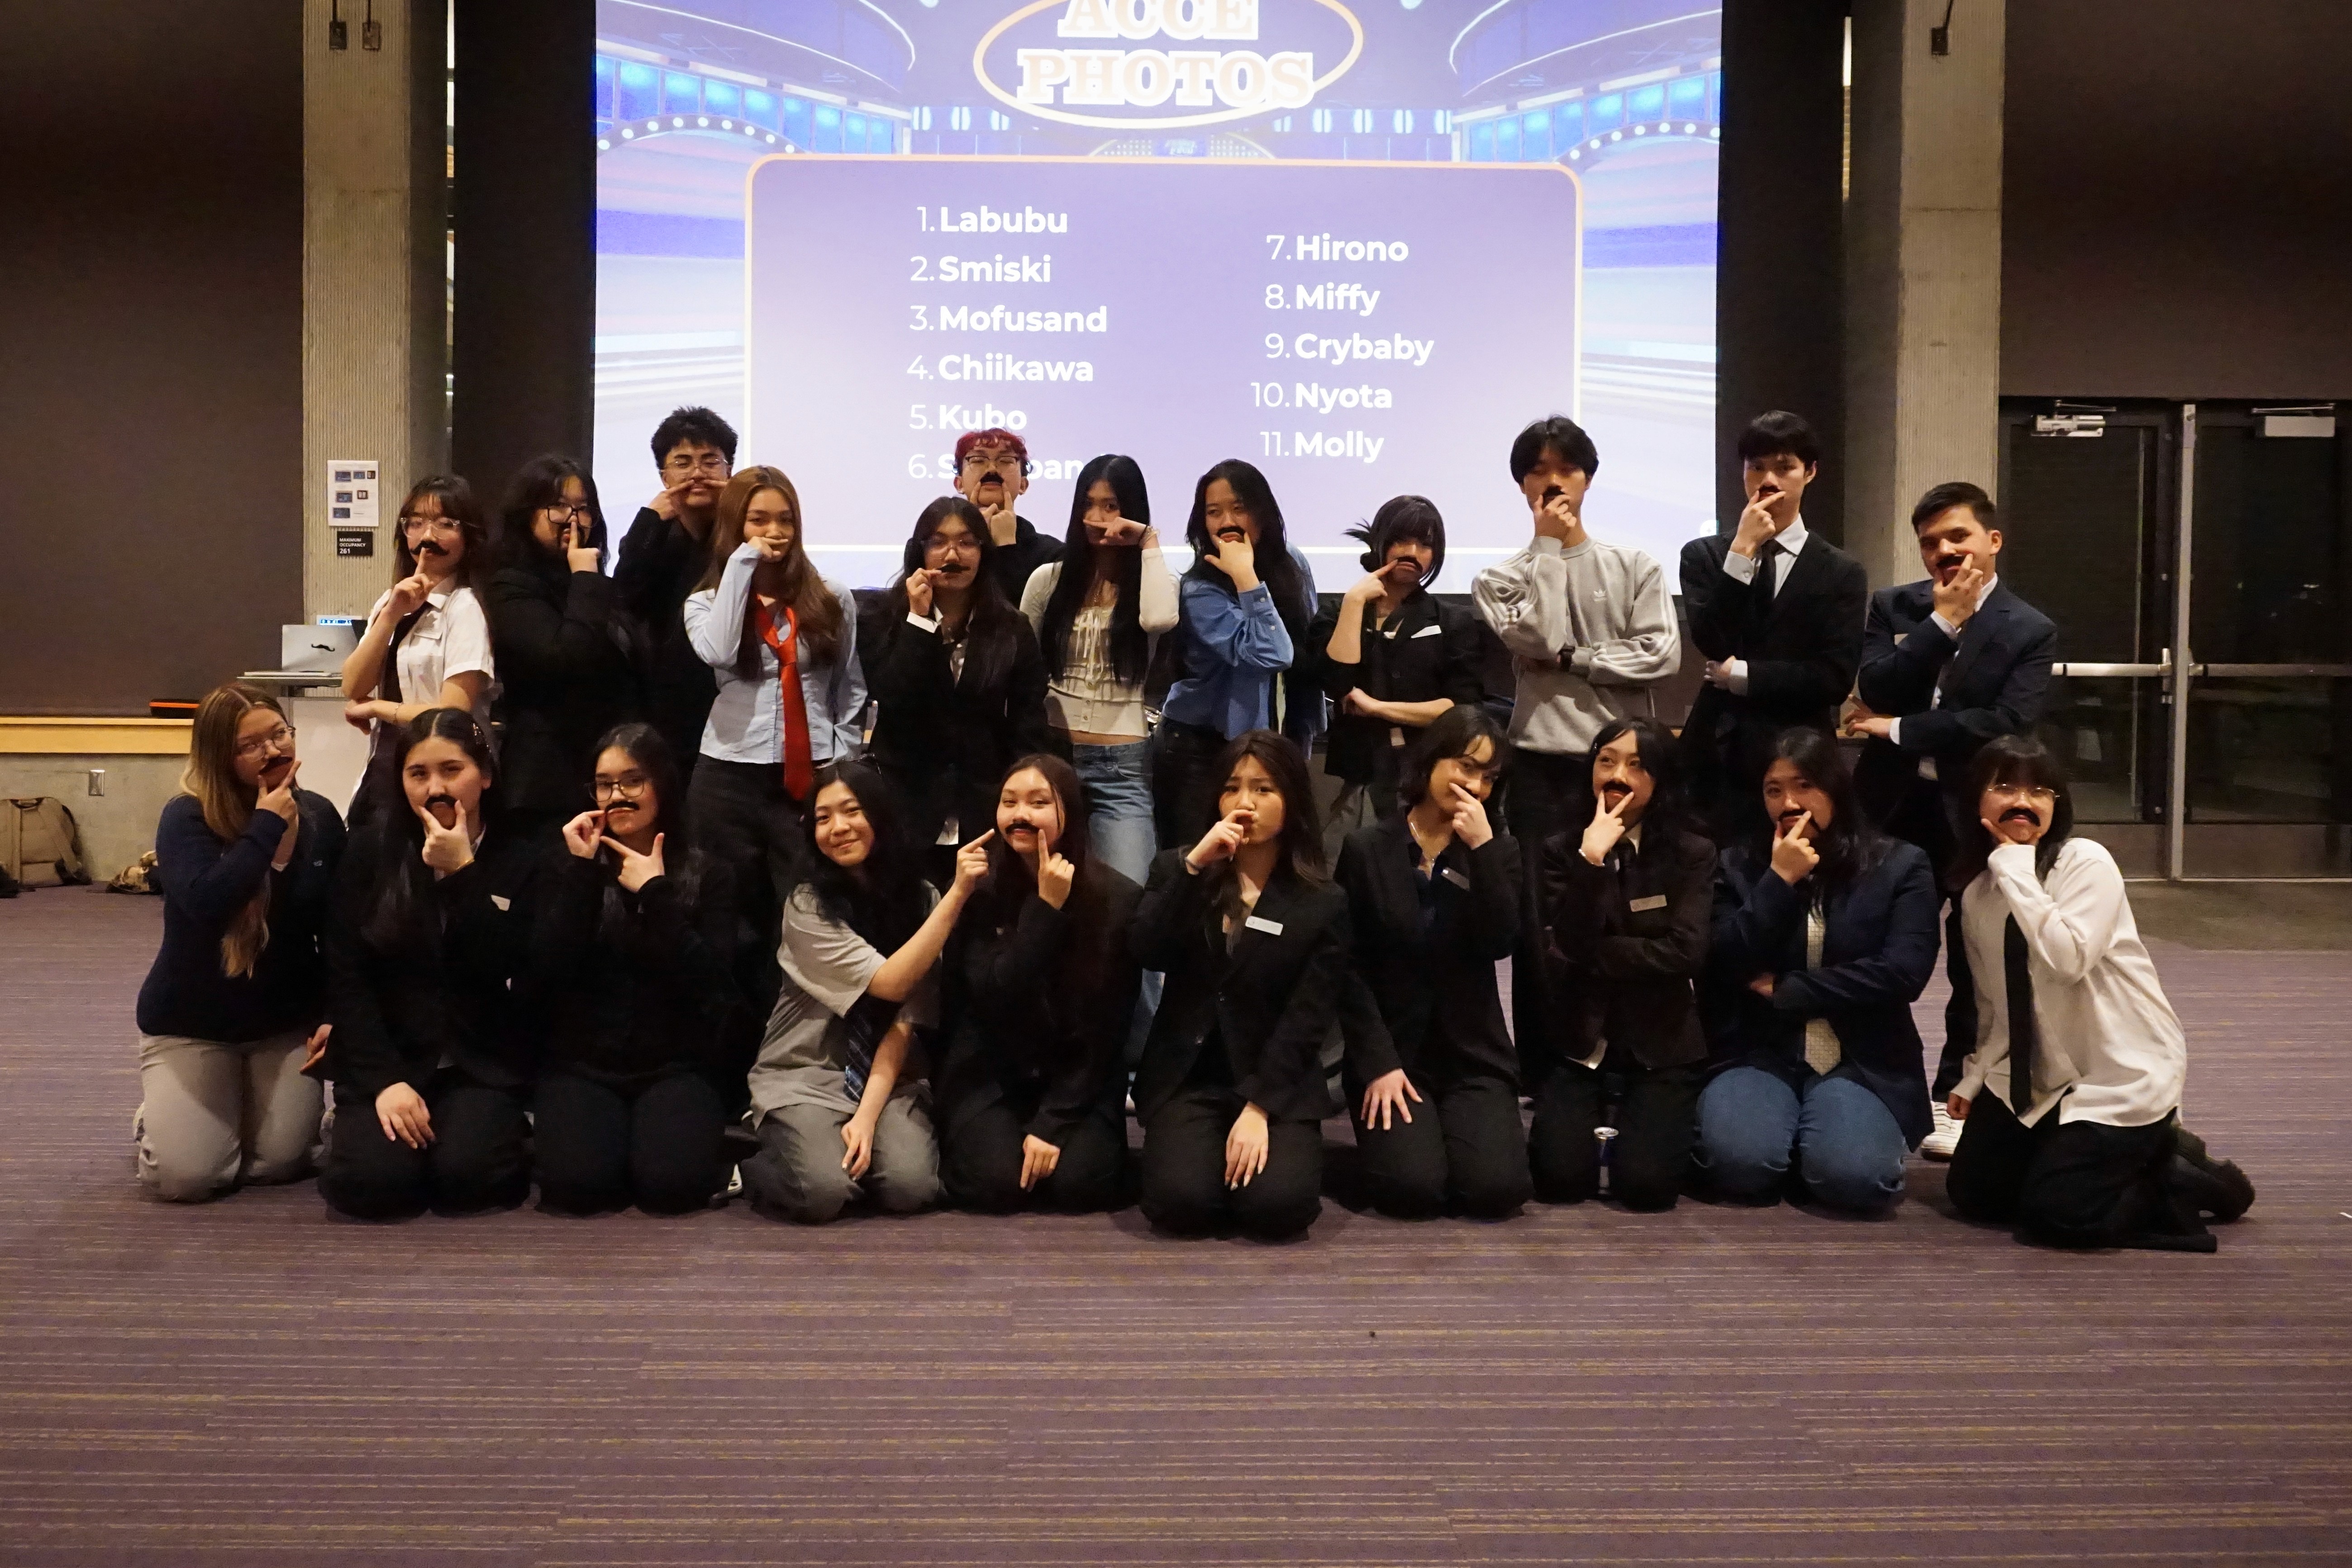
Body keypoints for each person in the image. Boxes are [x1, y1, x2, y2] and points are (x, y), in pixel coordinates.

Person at [1943, 737, 2254, 1250]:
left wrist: (2016, 867)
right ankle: (2095, 1158)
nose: (2022, 801)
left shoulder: (2085, 863)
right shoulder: (1980, 894)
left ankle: (2174, 1172)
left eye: (2038, 791)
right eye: (2005, 787)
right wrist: (1976, 1075)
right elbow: (1998, 1004)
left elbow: (2067, 960)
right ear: (1975, 798)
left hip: (2119, 1070)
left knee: (2061, 1215)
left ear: (2056, 805)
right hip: (2042, 1074)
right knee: (1976, 1194)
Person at [1843, 481, 2059, 1157]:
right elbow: (1875, 685)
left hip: (1972, 815)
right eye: (1930, 542)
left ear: (1992, 541)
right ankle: (1859, 1076)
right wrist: (1938, 625)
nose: (1944, 551)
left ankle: (1955, 1094)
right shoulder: (1895, 607)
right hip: (1888, 807)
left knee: (1976, 959)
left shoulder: (2028, 628)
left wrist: (1897, 729)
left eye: (1957, 536)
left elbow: (2005, 724)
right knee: (1870, 944)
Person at [1472, 417, 1680, 1085]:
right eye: (1537, 470)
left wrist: (1573, 660)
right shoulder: (1498, 578)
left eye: (1565, 468)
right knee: (1543, 919)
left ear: (1587, 479)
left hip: (1621, 768)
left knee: (1625, 907)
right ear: (1521, 486)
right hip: (1540, 763)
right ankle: (1545, 1067)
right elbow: (1536, 637)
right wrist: (1546, 550)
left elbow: (1660, 654)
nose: (1552, 481)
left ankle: (1626, 1057)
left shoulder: (1634, 565)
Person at [1694, 728, 1938, 1213]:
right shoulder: (1737, 864)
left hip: (1861, 1053)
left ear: (1834, 787)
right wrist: (1779, 880)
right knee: (1740, 1167)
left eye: (1804, 785)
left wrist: (1790, 989)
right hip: (1759, 1047)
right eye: (1774, 790)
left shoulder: (1899, 864)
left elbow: (1903, 972)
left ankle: (1819, 1138)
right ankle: (1787, 1134)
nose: (1789, 803)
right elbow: (1723, 960)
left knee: (1857, 1181)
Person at [1131, 731, 1357, 1240]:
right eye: (1232, 788)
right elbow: (1146, 949)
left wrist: (1260, 1107)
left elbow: (1308, 1017)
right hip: (1190, 1074)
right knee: (1180, 1204)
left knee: (1278, 1209)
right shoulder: (1178, 869)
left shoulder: (1322, 900)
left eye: (1263, 789)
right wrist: (1194, 867)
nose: (1244, 803)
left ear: (1291, 801)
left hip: (1275, 1077)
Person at [317, 709, 541, 1220]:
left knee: (468, 1180)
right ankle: (355, 1126)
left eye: (452, 770)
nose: (436, 787)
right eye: (418, 773)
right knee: (373, 1186)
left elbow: (512, 966)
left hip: (477, 1059)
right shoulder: (371, 850)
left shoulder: (521, 854)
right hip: (392, 1054)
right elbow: (347, 976)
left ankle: (494, 1127)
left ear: (485, 775)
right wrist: (385, 1082)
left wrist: (463, 874)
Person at [132, 682, 345, 1201]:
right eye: (251, 745)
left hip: (280, 1023)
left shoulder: (320, 817)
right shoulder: (187, 817)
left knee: (280, 1162)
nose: (273, 751)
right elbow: (209, 904)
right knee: (190, 1178)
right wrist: (266, 826)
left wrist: (330, 1013)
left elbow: (338, 927)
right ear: (219, 757)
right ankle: (156, 1117)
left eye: (279, 734)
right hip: (194, 1025)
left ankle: (226, 1112)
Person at [739, 763, 969, 1223]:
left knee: (911, 1187)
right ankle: (752, 1164)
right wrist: (959, 894)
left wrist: (866, 1116)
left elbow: (905, 1020)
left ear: (879, 815)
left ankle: (840, 1150)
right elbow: (889, 982)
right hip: (806, 1072)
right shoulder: (807, 905)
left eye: (851, 811)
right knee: (822, 1192)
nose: (838, 828)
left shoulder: (924, 899)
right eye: (822, 818)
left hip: (891, 1077)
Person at [532, 724, 742, 1216]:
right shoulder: (567, 864)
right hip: (582, 1064)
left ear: (661, 785)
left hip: (678, 1065)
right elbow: (544, 976)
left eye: (633, 781)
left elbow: (716, 989)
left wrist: (657, 894)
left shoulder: (710, 872)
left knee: (671, 1188)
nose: (617, 796)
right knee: (577, 1188)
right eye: (604, 785)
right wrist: (582, 875)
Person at [1332, 705, 1528, 1220]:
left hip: (1472, 1052)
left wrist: (1482, 850)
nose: (1475, 786)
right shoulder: (1366, 848)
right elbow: (1346, 967)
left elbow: (1500, 941)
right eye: (1466, 766)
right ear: (1431, 761)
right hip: (1394, 1051)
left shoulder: (1499, 851)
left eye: (1489, 777)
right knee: (1412, 1190)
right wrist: (1377, 1062)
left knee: (1495, 1190)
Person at [681, 465, 864, 1009]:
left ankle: (802, 1038)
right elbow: (717, 652)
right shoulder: (705, 603)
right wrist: (743, 564)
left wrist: (845, 755)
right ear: (734, 525)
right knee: (727, 921)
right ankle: (732, 1040)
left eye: (785, 520)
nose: (775, 533)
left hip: (808, 777)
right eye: (758, 520)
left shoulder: (830, 596)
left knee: (807, 912)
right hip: (727, 776)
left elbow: (850, 687)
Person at [937, 755, 1142, 1213]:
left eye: (1038, 802)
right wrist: (1044, 911)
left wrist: (1052, 1123)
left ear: (1069, 811)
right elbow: (993, 995)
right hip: (991, 1073)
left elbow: (1107, 1030)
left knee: (1079, 1186)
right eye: (1009, 802)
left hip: (1077, 1079)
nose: (1021, 815)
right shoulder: (977, 889)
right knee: (995, 1185)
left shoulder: (1118, 899)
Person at [1531, 718, 1716, 1210]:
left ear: (1660, 778)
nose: (1617, 775)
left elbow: (1685, 953)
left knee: (1647, 1189)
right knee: (1558, 1181)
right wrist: (1590, 861)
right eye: (1606, 761)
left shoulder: (1692, 852)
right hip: (1581, 1038)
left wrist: (1598, 952)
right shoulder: (1561, 848)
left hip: (1661, 1039)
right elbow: (1565, 945)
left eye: (1637, 765)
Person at [1679, 411, 1868, 834]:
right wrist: (1742, 551)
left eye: (1784, 468)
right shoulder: (1704, 555)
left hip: (1801, 753)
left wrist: (1744, 675)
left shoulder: (1841, 571)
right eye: (1757, 467)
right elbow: (1712, 639)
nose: (1768, 480)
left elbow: (1834, 678)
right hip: (1719, 753)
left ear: (1810, 472)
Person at [862, 496, 1050, 868]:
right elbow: (893, 701)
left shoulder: (1011, 628)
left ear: (983, 552)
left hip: (982, 804)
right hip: (907, 804)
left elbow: (1028, 724)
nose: (953, 554)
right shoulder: (883, 618)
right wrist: (919, 622)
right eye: (939, 542)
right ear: (919, 552)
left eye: (966, 542)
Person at [1019, 453, 1180, 886]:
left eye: (1111, 506)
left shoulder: (1157, 581)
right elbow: (1024, 665)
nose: (1097, 518)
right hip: (1053, 756)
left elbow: (1159, 619)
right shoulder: (1049, 580)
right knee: (1043, 890)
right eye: (1088, 504)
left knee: (1130, 890)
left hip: (1121, 768)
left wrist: (1147, 539)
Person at [1154, 461, 1321, 851]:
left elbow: (1305, 650)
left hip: (1270, 745)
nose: (1227, 521)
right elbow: (1273, 654)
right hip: (1198, 748)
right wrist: (1246, 576)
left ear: (1262, 512)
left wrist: (1302, 740)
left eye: (1239, 508)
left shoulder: (1293, 563)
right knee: (1201, 861)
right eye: (1214, 512)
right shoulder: (1200, 588)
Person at [1309, 496, 1488, 858]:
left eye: (1425, 544)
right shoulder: (1339, 611)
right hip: (1357, 774)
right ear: (1381, 542)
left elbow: (1461, 707)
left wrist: (1377, 708)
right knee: (1342, 864)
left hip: (1426, 776)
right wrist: (1354, 604)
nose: (1412, 552)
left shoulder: (1451, 621)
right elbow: (1337, 682)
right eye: (1402, 541)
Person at [481, 454, 640, 839]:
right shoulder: (510, 585)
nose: (574, 520)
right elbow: (567, 658)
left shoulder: (596, 584)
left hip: (606, 768)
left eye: (583, 508)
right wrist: (584, 575)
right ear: (527, 514)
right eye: (559, 507)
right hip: (548, 781)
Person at [339, 475, 497, 827]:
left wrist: (378, 708)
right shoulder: (391, 600)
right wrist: (392, 613)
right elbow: (352, 685)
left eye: (446, 524)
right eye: (416, 523)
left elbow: (452, 714)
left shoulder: (464, 607)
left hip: (443, 779)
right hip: (385, 768)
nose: (428, 536)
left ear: (468, 536)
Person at [614, 405, 736, 775]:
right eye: (683, 463)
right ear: (664, 476)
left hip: (735, 708)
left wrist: (741, 510)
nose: (697, 474)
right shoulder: (651, 535)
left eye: (710, 461)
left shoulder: (745, 537)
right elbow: (624, 597)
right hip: (666, 711)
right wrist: (650, 517)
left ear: (729, 470)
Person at [953, 426, 1062, 606]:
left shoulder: (1051, 556)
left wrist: (1007, 548)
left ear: (1023, 485)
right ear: (959, 484)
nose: (992, 469)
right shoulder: (936, 548)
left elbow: (1024, 618)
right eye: (978, 460)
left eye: (1005, 461)